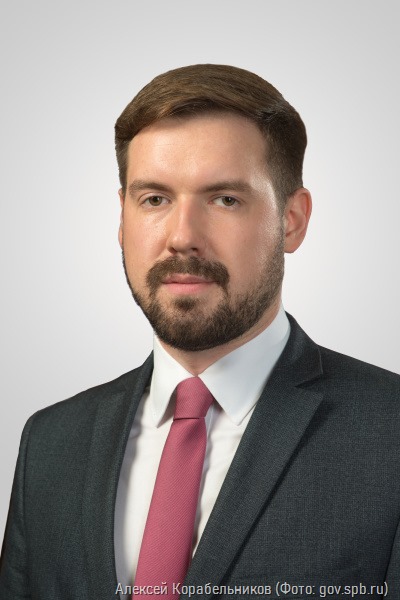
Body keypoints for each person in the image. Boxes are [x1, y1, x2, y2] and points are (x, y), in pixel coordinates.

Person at [0, 64, 399, 600]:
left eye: (225, 199)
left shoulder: (389, 434)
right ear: (121, 218)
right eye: (155, 199)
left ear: (293, 220)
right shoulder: (50, 443)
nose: (182, 237)